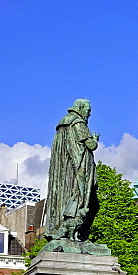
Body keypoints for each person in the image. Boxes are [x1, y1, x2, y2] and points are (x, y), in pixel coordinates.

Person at [43, 99, 100, 242]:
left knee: (76, 202)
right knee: (91, 205)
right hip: (78, 172)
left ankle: (66, 231)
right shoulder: (78, 123)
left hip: (65, 172)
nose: (90, 114)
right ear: (81, 109)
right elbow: (91, 145)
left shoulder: (63, 125)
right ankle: (80, 234)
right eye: (88, 110)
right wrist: (94, 138)